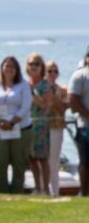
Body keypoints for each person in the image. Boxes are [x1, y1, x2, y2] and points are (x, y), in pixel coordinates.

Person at [0, 56, 32, 194]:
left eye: (12, 66)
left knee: (19, 165)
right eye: (6, 66)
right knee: (0, 165)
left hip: (21, 129)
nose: (9, 69)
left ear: (17, 69)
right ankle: (2, 195)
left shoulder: (23, 85)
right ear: (1, 68)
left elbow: (25, 106)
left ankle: (17, 195)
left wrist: (12, 122)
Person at [26, 53, 52, 195]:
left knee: (43, 158)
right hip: (27, 125)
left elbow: (45, 105)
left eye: (37, 64)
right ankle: (37, 187)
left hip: (41, 126)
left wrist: (32, 95)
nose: (34, 67)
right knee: (32, 158)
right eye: (31, 64)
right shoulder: (25, 84)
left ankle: (46, 189)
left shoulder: (45, 84)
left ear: (42, 66)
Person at [68, 46, 89, 196]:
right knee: (85, 162)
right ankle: (85, 194)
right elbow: (73, 103)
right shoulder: (79, 75)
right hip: (85, 126)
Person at [46, 60, 68, 196]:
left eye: (55, 71)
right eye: (50, 71)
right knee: (42, 161)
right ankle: (44, 189)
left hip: (56, 128)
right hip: (42, 128)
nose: (53, 73)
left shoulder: (62, 90)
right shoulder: (39, 88)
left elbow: (64, 108)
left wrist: (55, 97)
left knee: (54, 162)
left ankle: (55, 191)